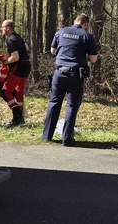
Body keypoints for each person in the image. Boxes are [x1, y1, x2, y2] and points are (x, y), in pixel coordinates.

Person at [41, 13, 98, 146]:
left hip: (59, 73)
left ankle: (46, 135)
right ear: (85, 24)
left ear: (74, 21)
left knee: (54, 102)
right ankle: (67, 139)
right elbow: (93, 58)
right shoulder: (86, 36)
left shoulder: (61, 32)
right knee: (71, 106)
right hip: (75, 75)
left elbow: (52, 51)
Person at [0, 19, 30, 127]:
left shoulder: (11, 40)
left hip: (19, 68)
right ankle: (20, 118)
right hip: (26, 67)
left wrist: (5, 61)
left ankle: (16, 117)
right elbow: (26, 48)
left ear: (7, 28)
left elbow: (15, 57)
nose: (1, 29)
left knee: (5, 92)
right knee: (18, 91)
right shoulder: (18, 37)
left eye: (2, 27)